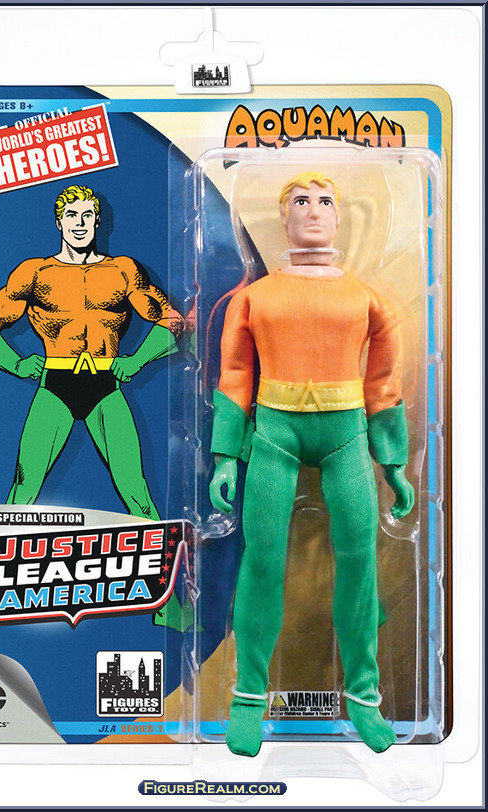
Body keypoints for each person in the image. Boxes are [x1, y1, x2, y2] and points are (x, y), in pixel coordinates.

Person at [209, 171, 414, 755]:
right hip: (274, 432)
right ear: (284, 216)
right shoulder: (256, 297)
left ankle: (364, 697)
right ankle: (249, 696)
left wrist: (392, 462)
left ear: (340, 216)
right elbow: (235, 375)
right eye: (301, 201)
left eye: (326, 200)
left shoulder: (365, 298)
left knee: (360, 559)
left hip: (346, 434)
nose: (315, 210)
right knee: (261, 560)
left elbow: (384, 382)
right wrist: (225, 456)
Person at [0, 184, 187, 629]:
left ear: (98, 221)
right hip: (55, 384)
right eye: (73, 216)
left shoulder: (123, 271)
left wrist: (136, 360)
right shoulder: (35, 273)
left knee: (136, 491)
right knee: (22, 493)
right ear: (59, 222)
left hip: (106, 383)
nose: (81, 223)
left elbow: (172, 321)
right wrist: (16, 363)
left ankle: (169, 607)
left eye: (89, 215)